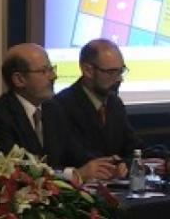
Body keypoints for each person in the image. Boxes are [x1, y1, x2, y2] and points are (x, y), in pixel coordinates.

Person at [0, 43, 118, 181]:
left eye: (52, 69)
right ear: (19, 79)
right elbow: (22, 171)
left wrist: (108, 166)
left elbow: (76, 152)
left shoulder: (54, 109)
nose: (53, 76)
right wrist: (74, 174)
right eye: (44, 71)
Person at [50, 39, 147, 173]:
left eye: (121, 71)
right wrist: (116, 163)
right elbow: (76, 156)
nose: (119, 79)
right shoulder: (61, 106)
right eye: (111, 72)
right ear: (88, 70)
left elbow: (133, 147)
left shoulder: (115, 103)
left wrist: (167, 157)